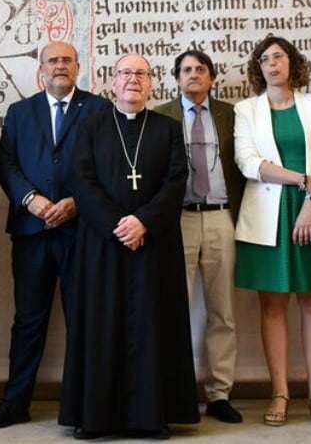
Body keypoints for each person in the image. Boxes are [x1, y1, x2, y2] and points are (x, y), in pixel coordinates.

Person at [58, 53, 199, 440]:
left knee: (154, 325)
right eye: (125, 73)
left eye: (141, 74)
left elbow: (176, 181)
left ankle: (153, 417)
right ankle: (95, 418)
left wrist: (143, 222)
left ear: (151, 84)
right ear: (113, 83)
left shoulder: (168, 128)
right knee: (101, 324)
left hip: (153, 243)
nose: (133, 79)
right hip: (103, 244)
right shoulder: (91, 125)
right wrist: (117, 224)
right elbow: (81, 178)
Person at [0, 42, 109, 429]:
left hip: (81, 231)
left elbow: (106, 166)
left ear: (78, 66)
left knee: (83, 319)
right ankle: (16, 402)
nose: (60, 66)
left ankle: (84, 406)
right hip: (32, 232)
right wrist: (30, 199)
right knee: (28, 321)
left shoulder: (99, 109)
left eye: (67, 60)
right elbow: (7, 163)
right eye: (52, 60)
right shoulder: (20, 112)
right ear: (41, 69)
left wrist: (75, 201)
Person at [233, 35, 311, 428]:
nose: (272, 64)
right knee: (272, 306)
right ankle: (280, 391)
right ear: (258, 67)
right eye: (264, 58)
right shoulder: (246, 109)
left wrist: (309, 204)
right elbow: (249, 162)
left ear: (292, 62)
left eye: (278, 57)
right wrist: (303, 180)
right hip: (267, 217)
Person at [153, 49, 245, 424]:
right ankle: (176, 391)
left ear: (211, 77)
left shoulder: (230, 113)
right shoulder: (160, 115)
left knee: (222, 311)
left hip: (222, 217)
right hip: (178, 220)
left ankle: (219, 393)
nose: (193, 74)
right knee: (174, 308)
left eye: (200, 69)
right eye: (186, 70)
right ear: (176, 78)